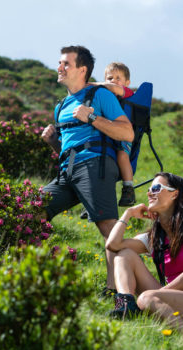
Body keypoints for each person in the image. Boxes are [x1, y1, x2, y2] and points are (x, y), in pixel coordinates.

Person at [41, 46, 134, 293]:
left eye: (65, 64)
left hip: (95, 165)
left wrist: (91, 118)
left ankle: (117, 292)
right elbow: (67, 148)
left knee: (109, 230)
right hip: (67, 171)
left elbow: (128, 133)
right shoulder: (60, 106)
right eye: (60, 63)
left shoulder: (100, 95)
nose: (59, 67)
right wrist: (53, 142)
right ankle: (33, 273)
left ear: (82, 69)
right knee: (32, 210)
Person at [106, 172, 183, 330]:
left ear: (174, 194)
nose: (149, 193)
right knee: (123, 255)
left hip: (170, 294)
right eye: (149, 189)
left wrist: (157, 294)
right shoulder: (155, 237)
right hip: (171, 295)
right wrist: (127, 214)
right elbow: (112, 245)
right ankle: (126, 306)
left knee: (147, 298)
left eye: (155, 188)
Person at [92, 62, 136, 206]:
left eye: (118, 78)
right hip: (107, 135)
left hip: (124, 134)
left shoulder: (127, 92)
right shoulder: (102, 96)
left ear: (127, 82)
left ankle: (128, 188)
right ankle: (95, 198)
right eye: (110, 78)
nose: (113, 81)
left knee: (122, 156)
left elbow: (114, 88)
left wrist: (90, 84)